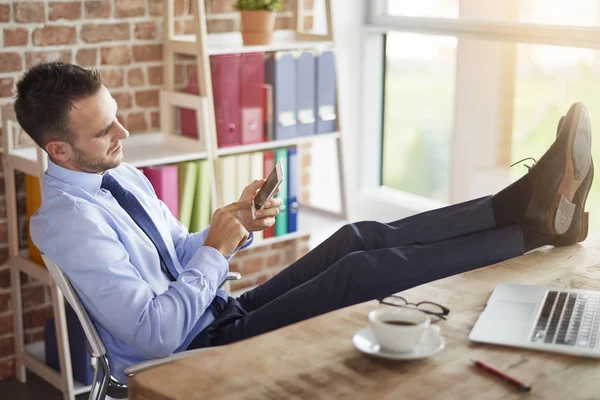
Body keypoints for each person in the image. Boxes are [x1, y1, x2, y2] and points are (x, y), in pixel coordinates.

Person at [14, 62, 593, 382]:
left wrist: (227, 224)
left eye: (117, 119)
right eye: (105, 131)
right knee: (360, 271)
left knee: (354, 237)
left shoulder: (120, 175)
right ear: (60, 151)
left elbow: (176, 254)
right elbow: (155, 333)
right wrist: (215, 251)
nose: (124, 136)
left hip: (215, 312)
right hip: (188, 352)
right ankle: (536, 227)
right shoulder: (67, 222)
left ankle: (519, 207)